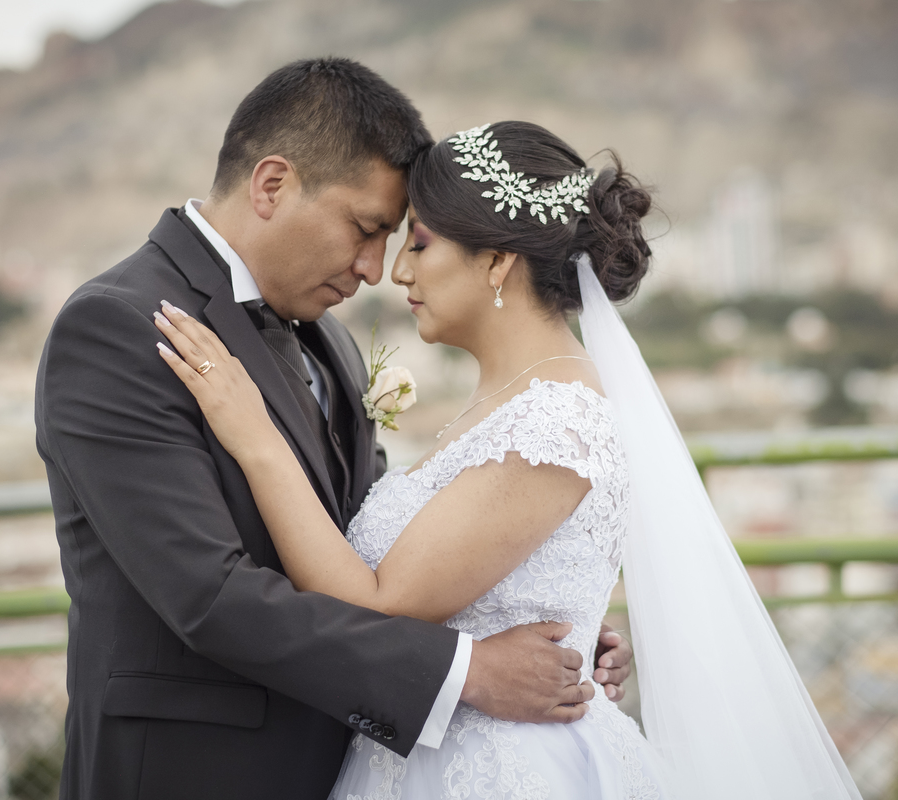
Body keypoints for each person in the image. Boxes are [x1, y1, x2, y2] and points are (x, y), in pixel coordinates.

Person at [156, 120, 865, 799]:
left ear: (497, 259)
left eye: (421, 245)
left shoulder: (555, 418)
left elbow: (375, 604)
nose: (395, 270)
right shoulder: (505, 403)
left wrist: (253, 436)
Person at [34, 60, 632, 800]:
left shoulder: (333, 343)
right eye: (366, 229)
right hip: (194, 773)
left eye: (400, 240)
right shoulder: (123, 327)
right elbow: (208, 596)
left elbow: (364, 540)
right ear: (272, 184)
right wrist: (466, 670)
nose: (375, 269)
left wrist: (545, 618)